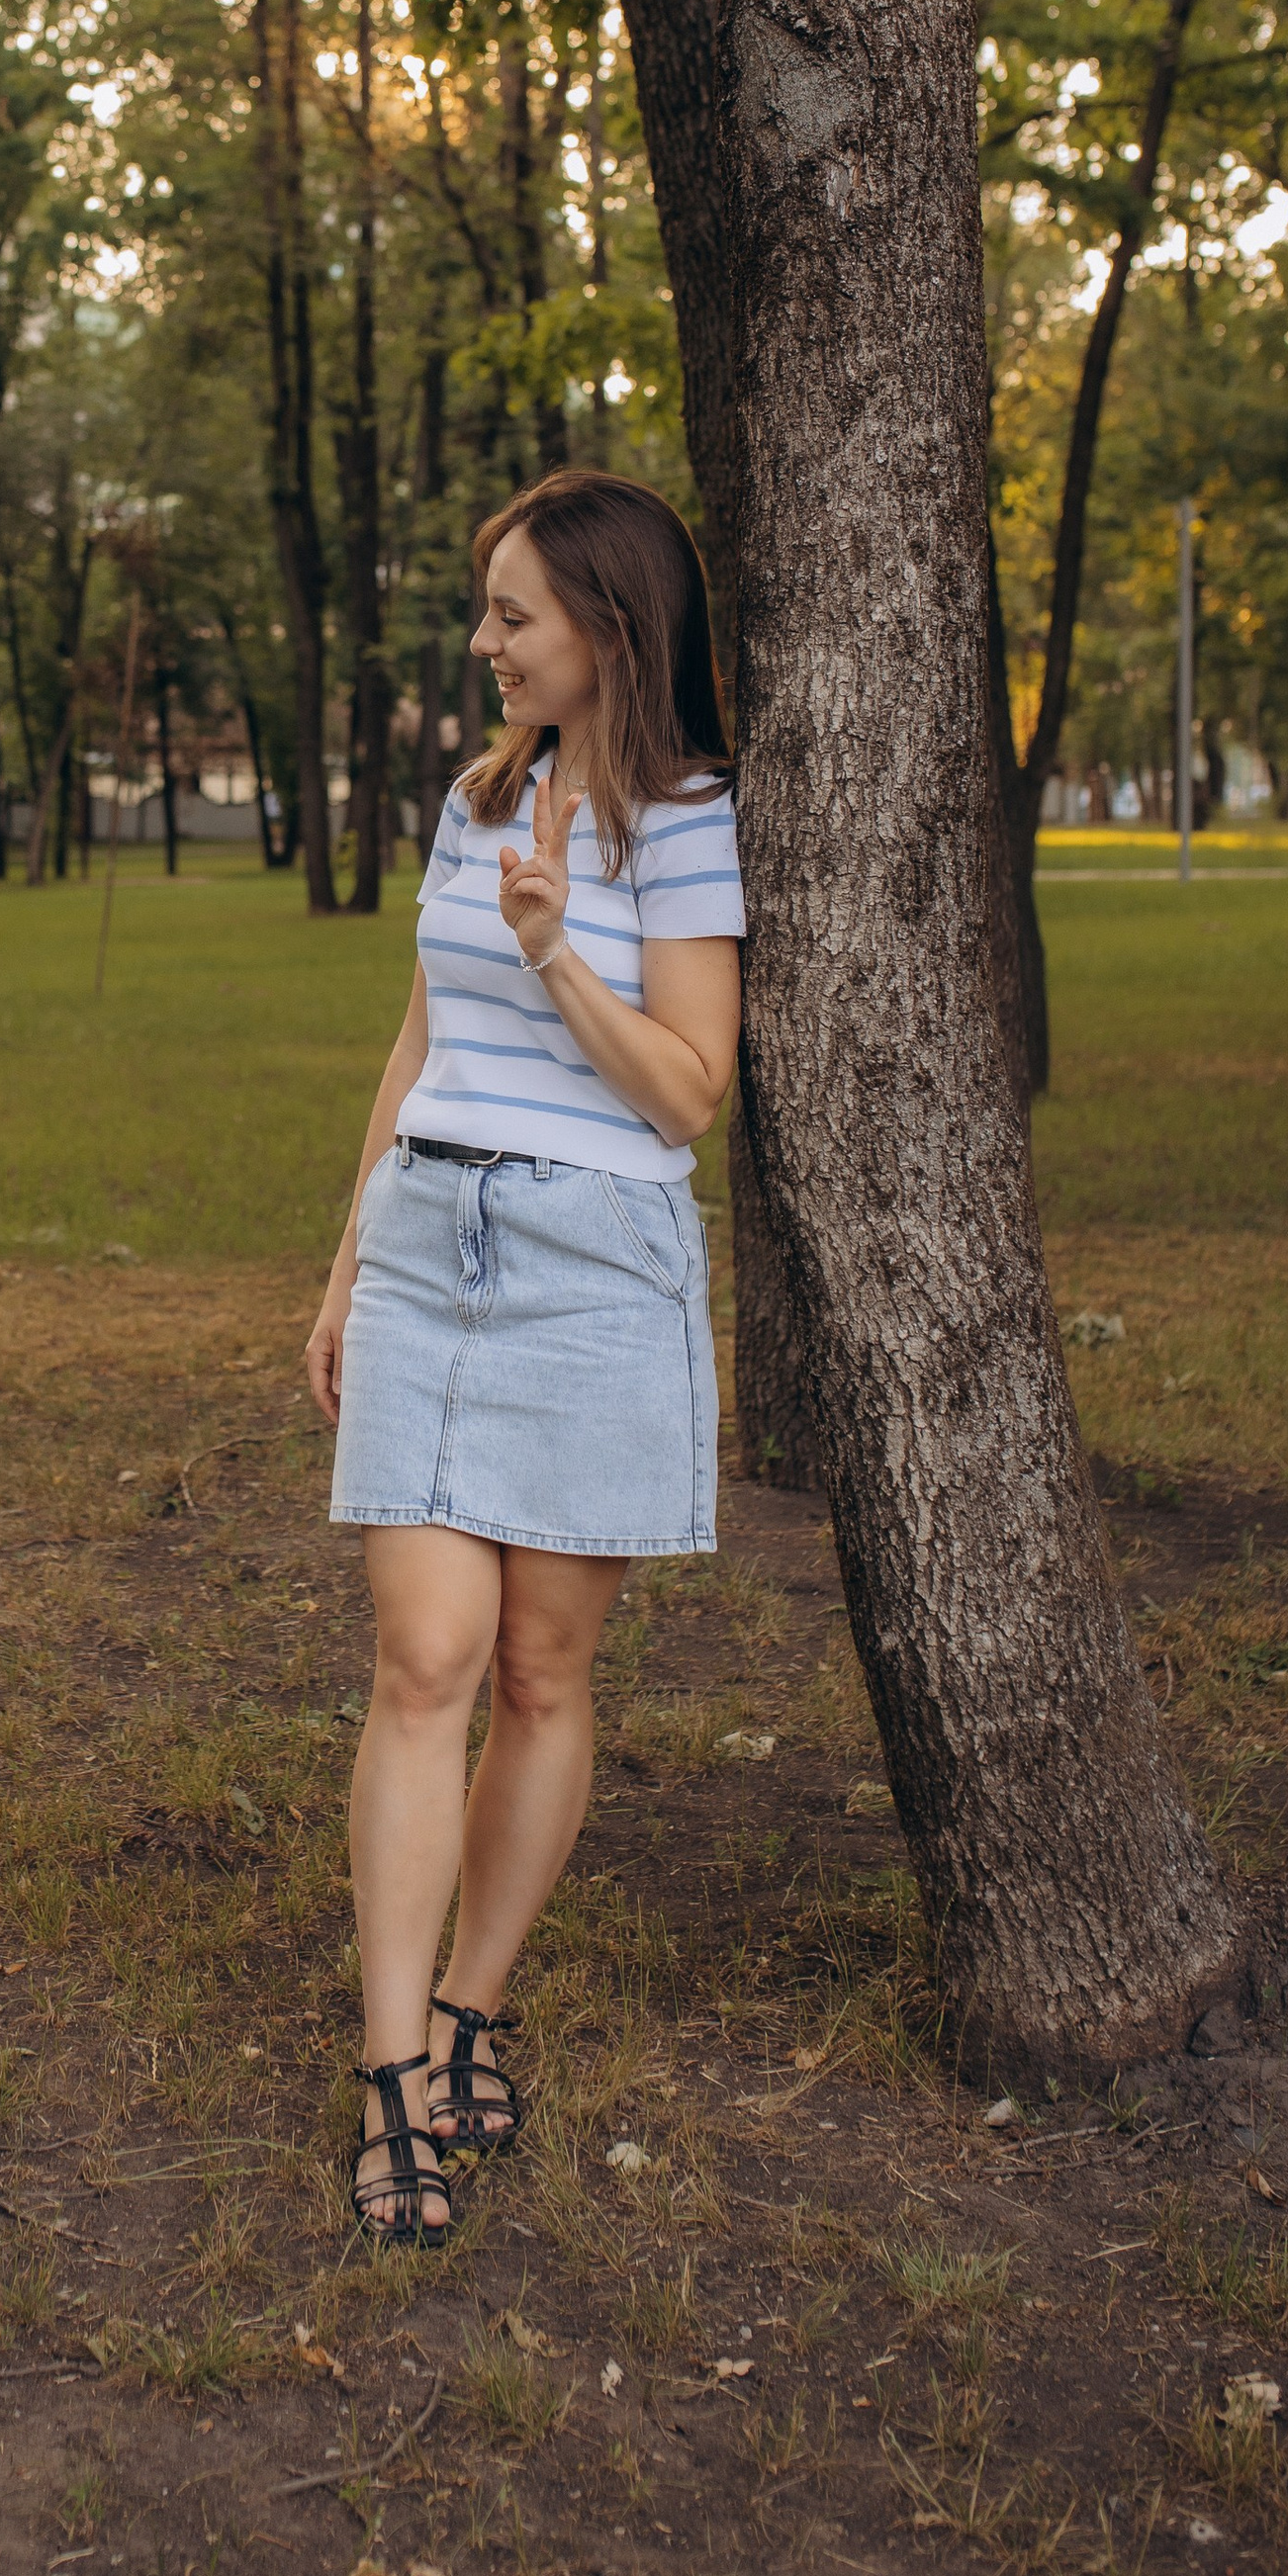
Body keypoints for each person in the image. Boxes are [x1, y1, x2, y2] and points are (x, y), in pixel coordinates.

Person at [305, 471, 743, 2246]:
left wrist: (564, 957)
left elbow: (691, 1093)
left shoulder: (694, 822)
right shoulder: (472, 800)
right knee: (430, 1657)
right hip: (429, 1242)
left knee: (545, 1677)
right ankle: (395, 2069)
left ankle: (474, 2001)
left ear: (609, 632)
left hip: (594, 1264)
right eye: (487, 611)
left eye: (513, 616)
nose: (484, 644)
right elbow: (415, 1035)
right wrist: (343, 1266)